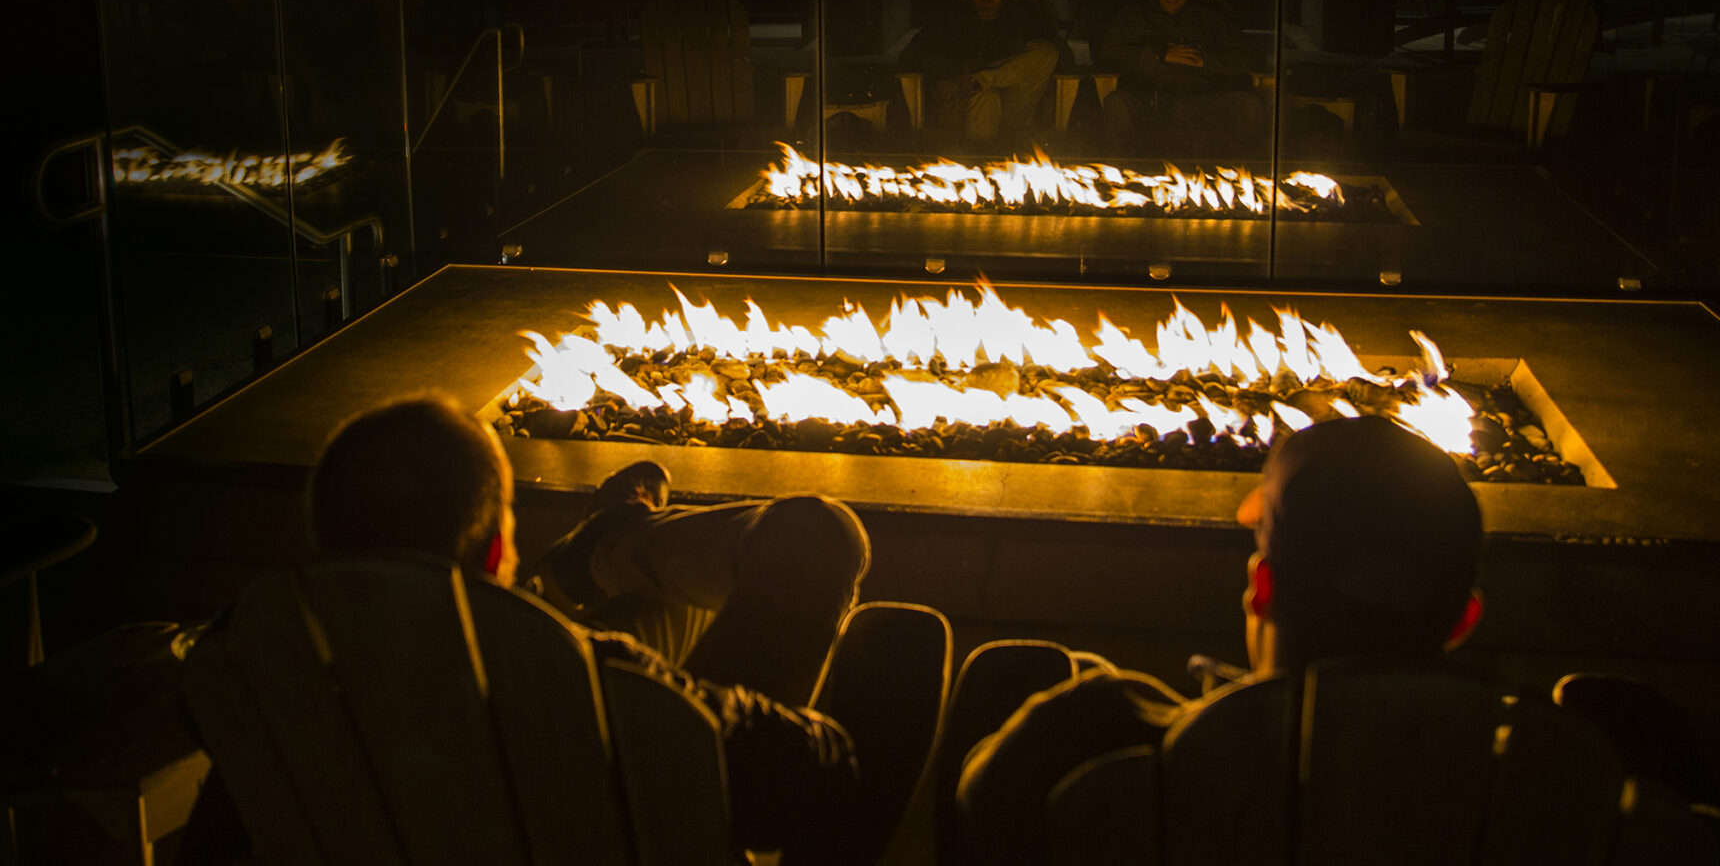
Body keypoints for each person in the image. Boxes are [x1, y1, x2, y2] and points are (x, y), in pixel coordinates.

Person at [181, 393, 907, 864]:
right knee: (823, 543)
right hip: (611, 776)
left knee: (639, 609)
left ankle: (599, 557)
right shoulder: (602, 688)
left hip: (512, 713)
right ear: (498, 550)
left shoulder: (266, 707)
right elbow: (808, 776)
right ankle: (611, 548)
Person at [953, 415, 1486, 866]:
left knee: (1014, 672)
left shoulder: (1100, 730)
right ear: (1464, 620)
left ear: (1261, 587)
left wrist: (1107, 705)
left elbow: (981, 801)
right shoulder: (1524, 784)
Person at [1095, 0, 1268, 150]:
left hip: (1206, 98)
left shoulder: (1212, 18)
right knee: (1117, 104)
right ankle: (1122, 174)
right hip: (1152, 98)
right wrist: (1158, 56)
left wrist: (1207, 60)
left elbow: (1254, 56)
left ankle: (1243, 175)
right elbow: (1109, 52)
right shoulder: (1135, 15)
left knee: (1250, 105)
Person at [898, 0, 1061, 141]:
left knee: (1047, 51)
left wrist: (991, 72)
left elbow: (1060, 56)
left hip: (1012, 105)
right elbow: (911, 54)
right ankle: (979, 161)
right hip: (962, 104)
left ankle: (978, 81)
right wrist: (955, 69)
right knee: (986, 96)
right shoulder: (950, 19)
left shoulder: (1022, 19)